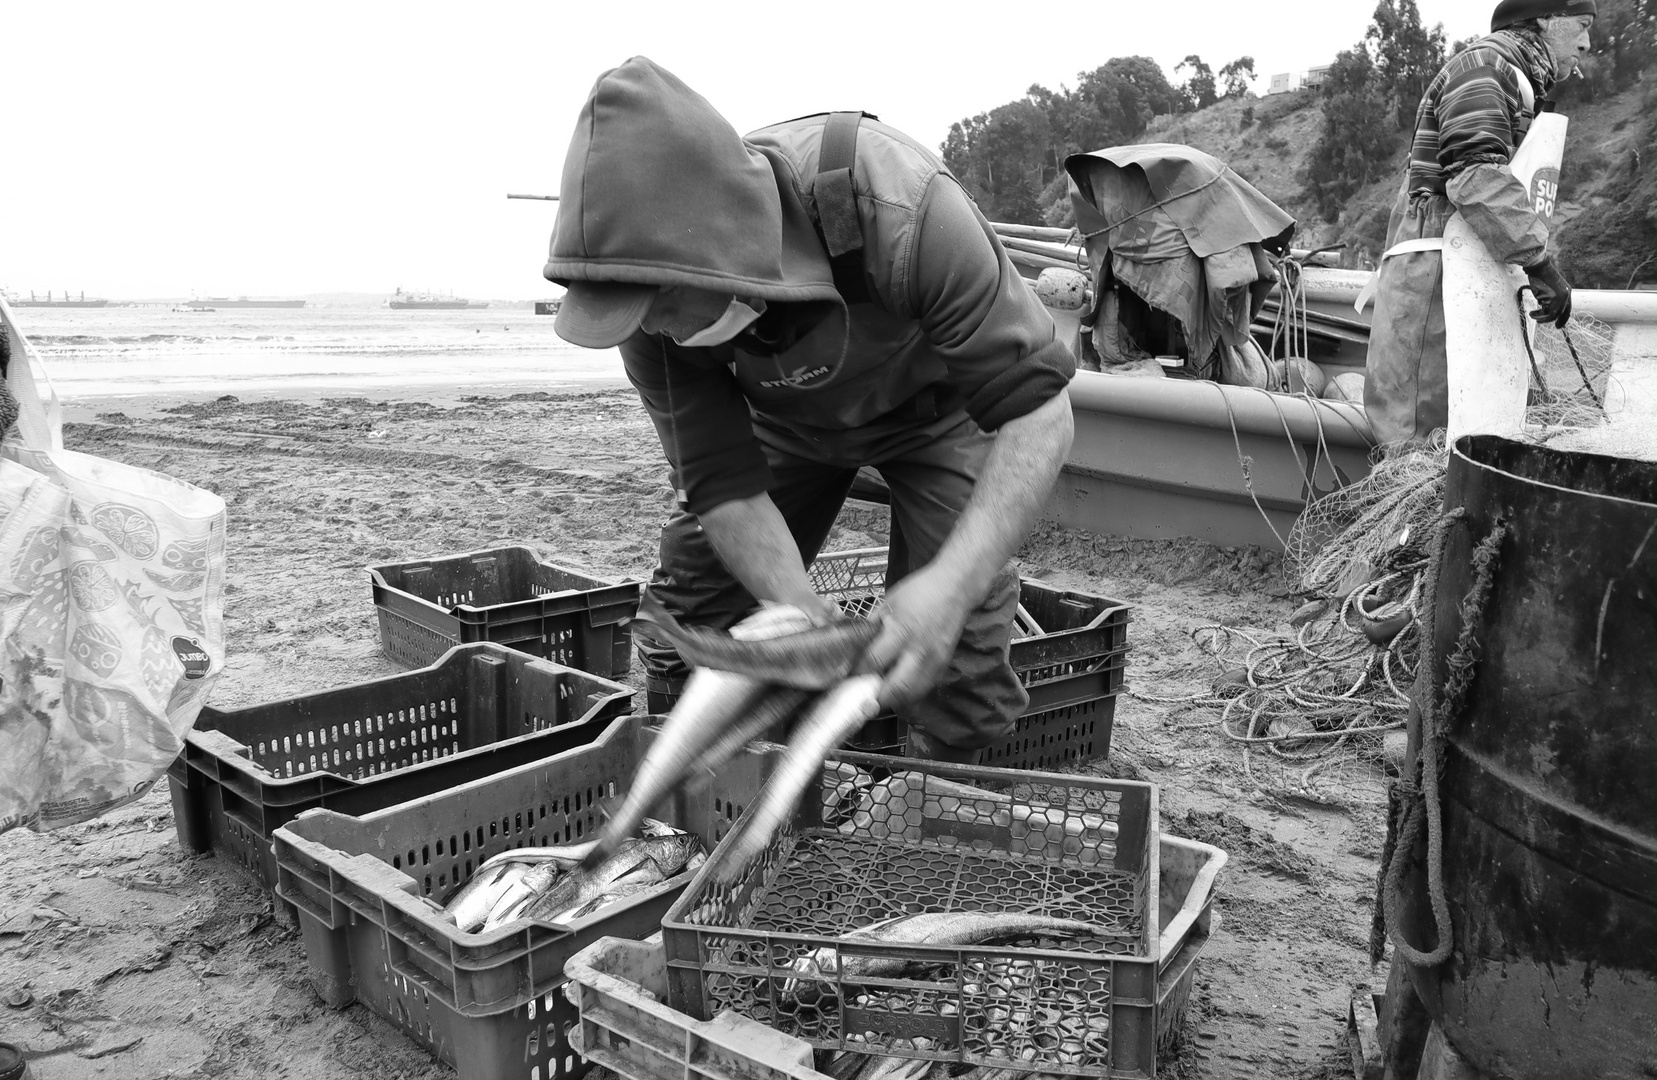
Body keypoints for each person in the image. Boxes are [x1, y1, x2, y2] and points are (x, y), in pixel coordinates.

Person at [543, 58, 1076, 763]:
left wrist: (947, 585)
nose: (659, 328)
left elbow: (1039, 413)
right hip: (783, 428)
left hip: (938, 415)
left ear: (717, 245)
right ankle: (696, 783)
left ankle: (953, 787)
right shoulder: (645, 319)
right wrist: (802, 617)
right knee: (697, 604)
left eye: (664, 305)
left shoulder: (901, 211)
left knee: (959, 642)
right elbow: (721, 483)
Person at [1364, 0, 1594, 446]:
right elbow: (1475, 173)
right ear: (1546, 18)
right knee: (1420, 427)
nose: (1587, 42)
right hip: (1435, 266)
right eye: (1581, 25)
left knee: (1469, 418)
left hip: (1474, 265)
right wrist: (1539, 263)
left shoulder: (1520, 79)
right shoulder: (1486, 67)